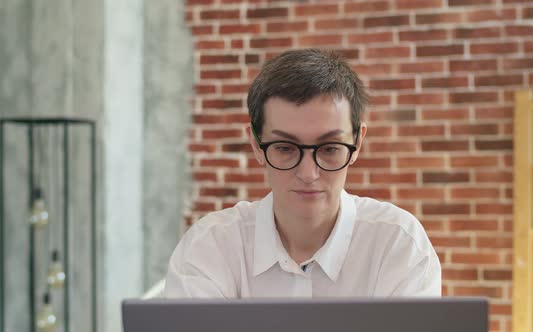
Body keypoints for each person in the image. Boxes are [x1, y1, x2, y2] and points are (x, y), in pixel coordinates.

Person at [164, 48, 441, 297]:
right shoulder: (210, 247)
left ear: (356, 143)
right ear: (257, 145)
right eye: (285, 148)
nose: (308, 173)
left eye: (330, 148)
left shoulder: (398, 245)